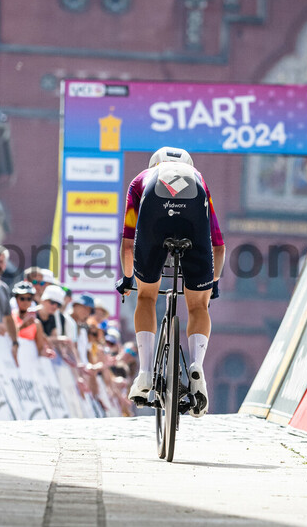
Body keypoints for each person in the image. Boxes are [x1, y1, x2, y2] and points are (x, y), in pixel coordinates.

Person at [116, 147, 226, 417]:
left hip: (154, 218)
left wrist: (129, 279)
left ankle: (143, 375)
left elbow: (129, 241)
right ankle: (197, 366)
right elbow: (219, 245)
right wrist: (213, 283)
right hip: (194, 222)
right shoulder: (198, 178)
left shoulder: (141, 179)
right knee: (198, 307)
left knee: (146, 297)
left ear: (155, 163)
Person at [10, 281, 52, 357]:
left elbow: (40, 348)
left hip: (28, 364)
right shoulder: (10, 316)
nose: (25, 302)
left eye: (29, 299)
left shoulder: (36, 323)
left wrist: (46, 353)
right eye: (22, 298)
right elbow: (7, 337)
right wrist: (22, 326)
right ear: (16, 298)